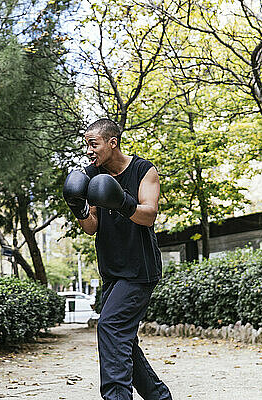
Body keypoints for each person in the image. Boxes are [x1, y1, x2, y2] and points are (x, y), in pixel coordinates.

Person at [63, 118, 172, 400]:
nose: (88, 150)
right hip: (112, 271)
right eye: (86, 144)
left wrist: (122, 201)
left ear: (112, 143)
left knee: (110, 327)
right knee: (122, 340)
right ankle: (159, 397)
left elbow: (148, 215)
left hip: (139, 270)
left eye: (93, 144)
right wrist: (78, 207)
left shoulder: (143, 170)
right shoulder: (90, 175)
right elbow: (92, 227)